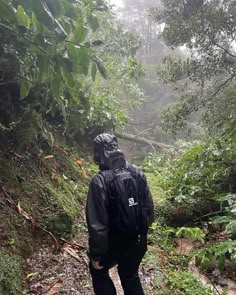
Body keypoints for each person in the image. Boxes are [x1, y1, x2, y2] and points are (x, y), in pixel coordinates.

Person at [86, 133, 154, 295]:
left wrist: (96, 255)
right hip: (138, 241)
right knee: (130, 276)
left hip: (113, 245)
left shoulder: (99, 182)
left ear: (98, 154)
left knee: (98, 271)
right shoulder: (137, 172)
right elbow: (149, 212)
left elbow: (98, 226)